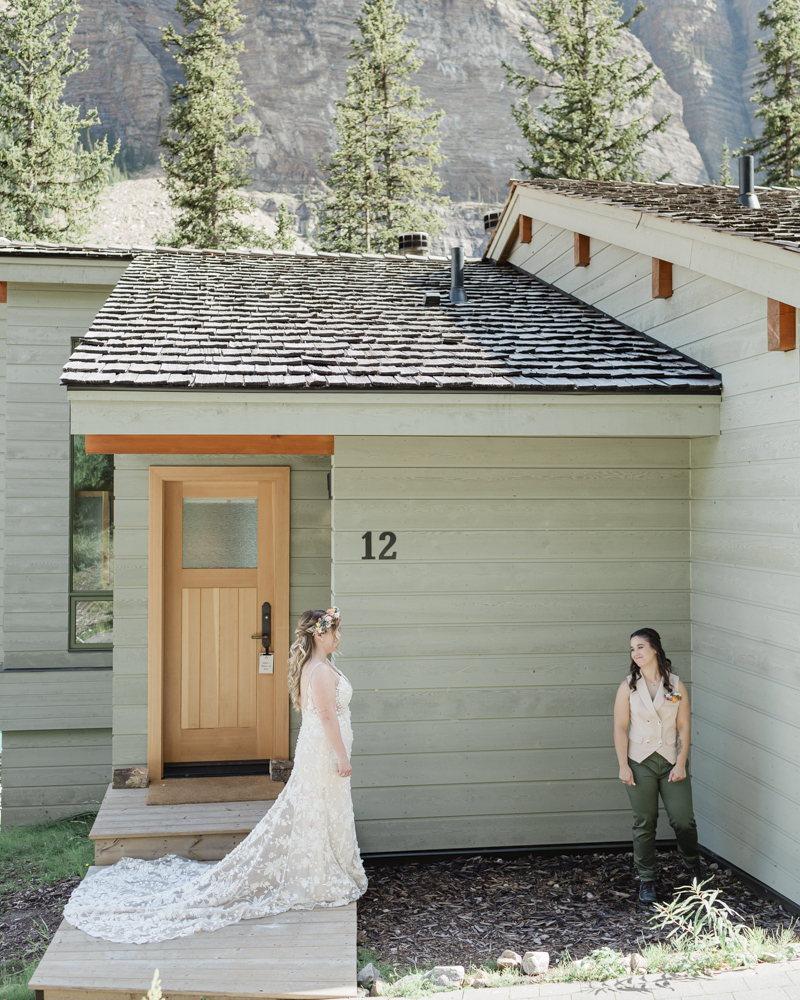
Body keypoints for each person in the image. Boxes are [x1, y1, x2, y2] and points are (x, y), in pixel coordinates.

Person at [63, 607, 367, 943]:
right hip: (324, 751)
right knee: (316, 808)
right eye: (333, 631)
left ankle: (321, 867)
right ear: (318, 634)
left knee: (318, 809)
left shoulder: (320, 666)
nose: (338, 636)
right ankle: (319, 874)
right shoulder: (321, 671)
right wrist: (342, 756)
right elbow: (326, 716)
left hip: (317, 749)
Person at [613, 627, 701, 903]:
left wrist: (682, 762)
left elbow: (684, 726)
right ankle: (647, 879)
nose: (635, 653)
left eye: (640, 647)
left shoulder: (675, 684)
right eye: (632, 649)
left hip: (671, 760)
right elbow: (619, 727)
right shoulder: (628, 686)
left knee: (683, 820)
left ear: (654, 649)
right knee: (645, 821)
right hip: (640, 762)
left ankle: (693, 868)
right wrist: (623, 766)